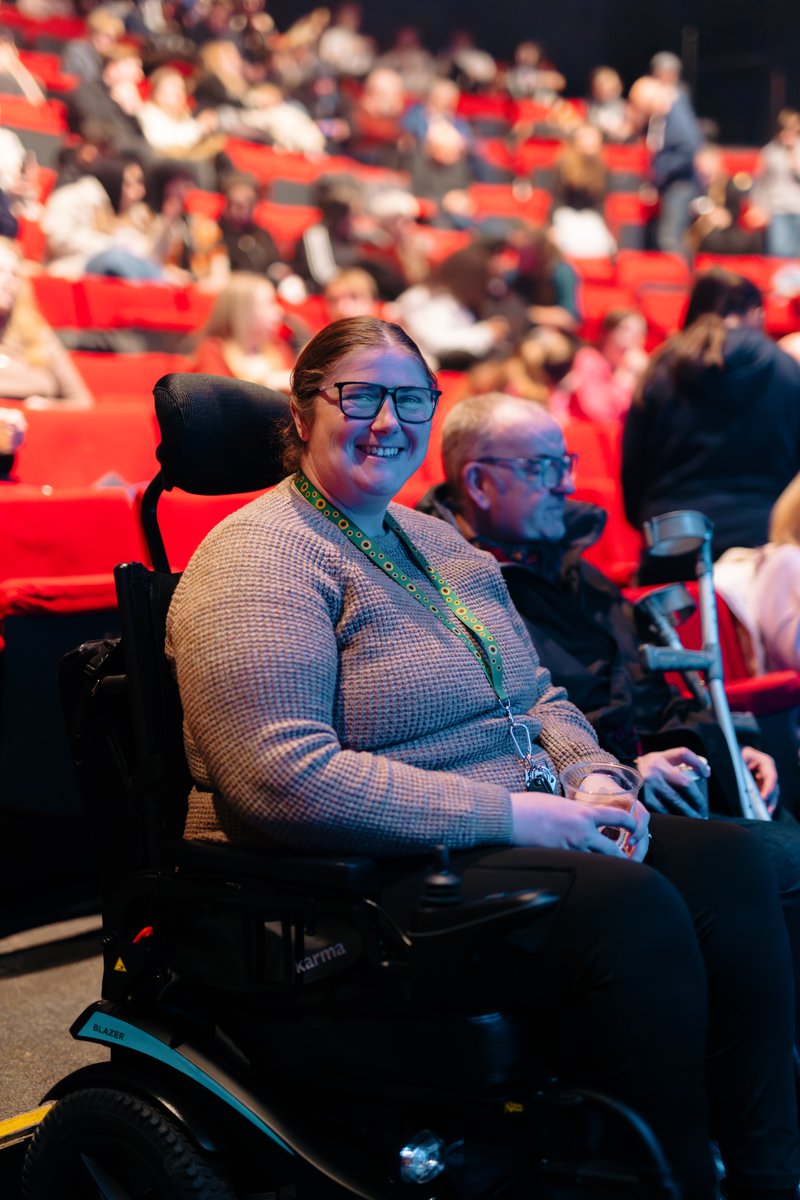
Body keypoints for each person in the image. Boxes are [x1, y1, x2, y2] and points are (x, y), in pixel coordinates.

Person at [166, 314, 800, 1200]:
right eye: (362, 396)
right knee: (637, 907)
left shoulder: (435, 544)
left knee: (738, 863)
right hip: (361, 874)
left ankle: (771, 1173)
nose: (390, 421)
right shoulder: (255, 556)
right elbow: (280, 777)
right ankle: (665, 1182)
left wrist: (594, 777)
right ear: (303, 413)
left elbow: (537, 696)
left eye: (413, 399)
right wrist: (518, 814)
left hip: (520, 824)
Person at [622, 268, 800, 584]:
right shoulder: (786, 368)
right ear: (756, 314)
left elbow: (633, 471)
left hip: (672, 540)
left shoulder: (661, 367)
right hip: (761, 546)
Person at [0, 237, 92, 409]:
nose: (8, 282)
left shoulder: (36, 333)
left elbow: (81, 401)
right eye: (0, 271)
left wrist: (49, 407)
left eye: (14, 274)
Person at [628, 74, 702, 253]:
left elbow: (689, 148)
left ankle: (680, 279)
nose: (643, 110)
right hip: (671, 184)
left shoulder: (676, 113)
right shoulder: (660, 117)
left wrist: (659, 171)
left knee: (670, 238)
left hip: (681, 184)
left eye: (642, 105)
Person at [189, 271, 294, 390]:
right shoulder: (213, 352)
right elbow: (215, 399)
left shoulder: (279, 349)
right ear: (243, 312)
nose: (279, 311)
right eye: (270, 303)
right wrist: (269, 385)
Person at [549, 308, 648, 424]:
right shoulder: (589, 359)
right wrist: (624, 376)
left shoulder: (642, 366)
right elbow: (600, 413)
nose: (632, 338)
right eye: (625, 330)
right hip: (585, 430)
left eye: (639, 332)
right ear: (606, 333)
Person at [752, 109, 800, 258]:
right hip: (778, 210)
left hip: (798, 209)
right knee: (779, 254)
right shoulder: (770, 152)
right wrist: (758, 206)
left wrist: (794, 158)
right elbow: (760, 183)